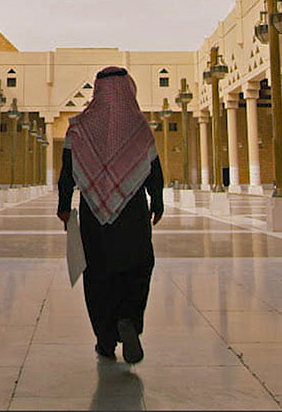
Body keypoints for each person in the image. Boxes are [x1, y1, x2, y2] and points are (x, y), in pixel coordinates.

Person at [57, 66, 164, 364]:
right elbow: (153, 170)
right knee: (137, 266)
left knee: (99, 274)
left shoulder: (80, 127)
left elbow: (68, 171)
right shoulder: (138, 126)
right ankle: (128, 320)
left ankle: (105, 340)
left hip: (94, 212)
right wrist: (158, 200)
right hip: (133, 212)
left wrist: (64, 205)